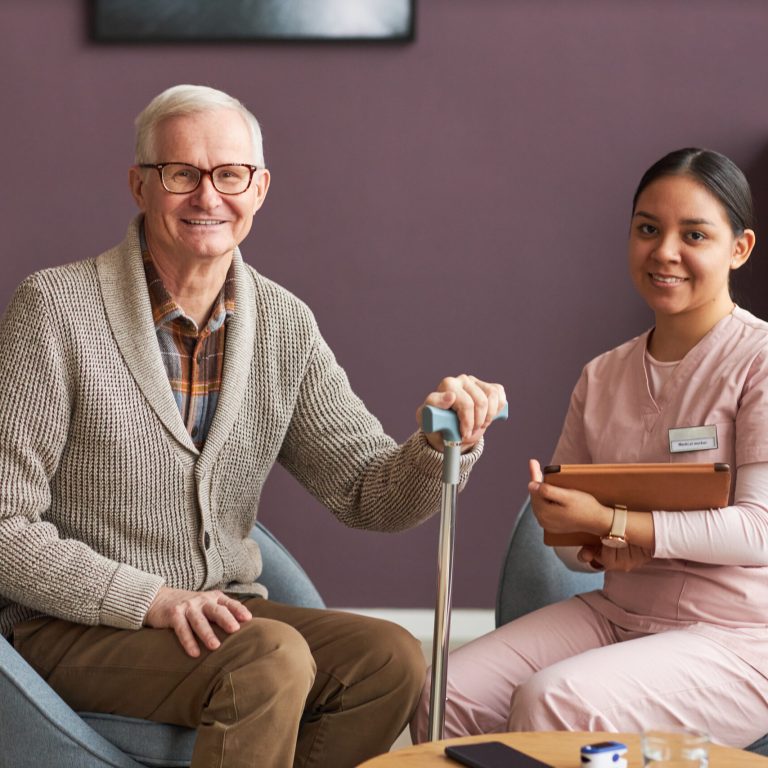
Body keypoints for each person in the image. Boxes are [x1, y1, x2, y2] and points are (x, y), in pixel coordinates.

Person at [0, 84, 506, 768]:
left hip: (218, 619)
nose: (208, 198)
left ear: (260, 187)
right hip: (74, 626)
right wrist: (148, 599)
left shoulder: (283, 324)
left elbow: (368, 495)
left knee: (387, 659)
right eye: (181, 174)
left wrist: (443, 444)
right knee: (268, 659)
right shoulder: (54, 308)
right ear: (140, 185)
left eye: (230, 175)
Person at [410, 147, 768, 748]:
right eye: (648, 229)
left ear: (739, 248)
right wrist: (587, 537)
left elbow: (759, 530)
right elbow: (577, 558)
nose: (665, 252)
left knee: (554, 701)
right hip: (618, 616)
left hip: (735, 634)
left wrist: (617, 521)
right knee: (444, 690)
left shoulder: (757, 361)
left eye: (695, 234)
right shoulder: (602, 375)